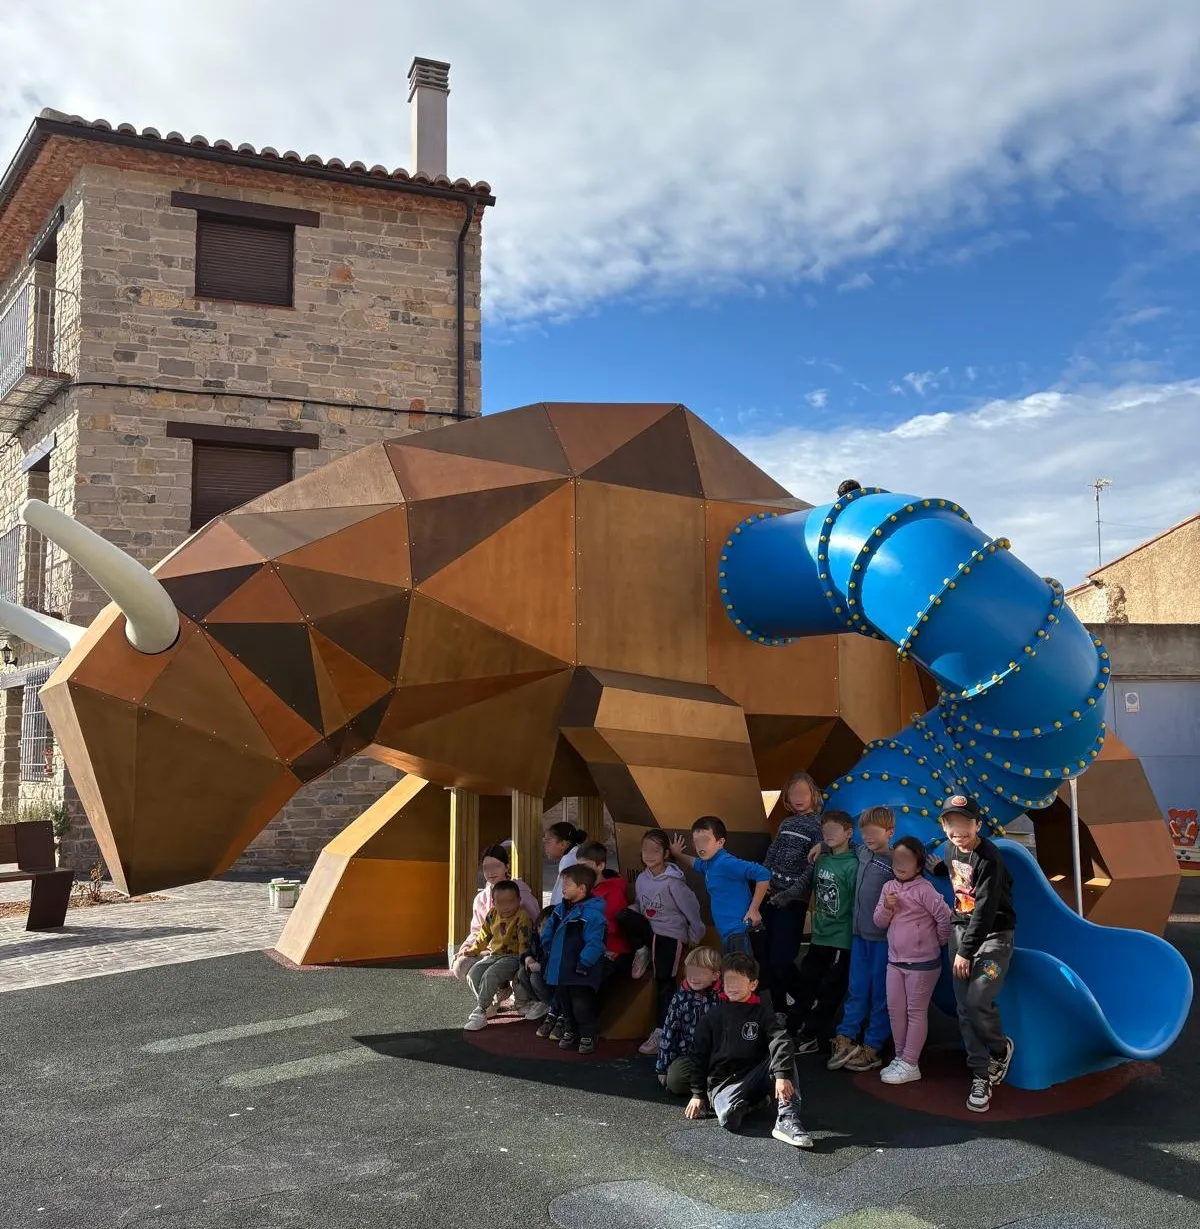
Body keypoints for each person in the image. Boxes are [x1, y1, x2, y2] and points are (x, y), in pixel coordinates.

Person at [928, 793, 1017, 1113]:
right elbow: (957, 876)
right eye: (951, 823)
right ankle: (980, 1075)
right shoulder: (951, 848)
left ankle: (999, 1047)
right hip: (960, 933)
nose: (958, 830)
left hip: (993, 937)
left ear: (978, 825)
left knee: (978, 999)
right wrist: (938, 869)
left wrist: (964, 952)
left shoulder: (989, 857)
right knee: (964, 1008)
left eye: (965, 824)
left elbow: (985, 909)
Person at [685, 951, 813, 1149]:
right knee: (728, 1119)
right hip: (723, 1084)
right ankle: (753, 1103)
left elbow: (780, 1040)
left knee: (783, 1053)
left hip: (755, 1075)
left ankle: (787, 1118)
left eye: (739, 981)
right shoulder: (712, 1017)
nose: (733, 986)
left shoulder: (762, 1013)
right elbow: (699, 1055)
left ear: (753, 985)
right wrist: (697, 1094)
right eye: (729, 981)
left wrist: (781, 1075)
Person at [873, 835, 952, 1084]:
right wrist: (887, 907)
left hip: (922, 964)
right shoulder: (888, 888)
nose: (900, 864)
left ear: (918, 866)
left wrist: (935, 944)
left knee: (915, 1011)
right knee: (896, 1011)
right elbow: (878, 922)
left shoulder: (925, 890)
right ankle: (901, 1057)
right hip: (895, 961)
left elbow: (945, 918)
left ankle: (910, 1062)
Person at [624, 828, 706, 1057]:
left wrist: (695, 935)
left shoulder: (674, 883)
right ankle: (642, 950)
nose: (649, 855)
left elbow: (692, 911)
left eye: (655, 850)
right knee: (624, 915)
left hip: (669, 934)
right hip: (650, 931)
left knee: (664, 982)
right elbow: (640, 906)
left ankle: (662, 1030)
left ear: (666, 853)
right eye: (645, 850)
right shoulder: (642, 878)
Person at [827, 805, 895, 1073]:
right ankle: (846, 1037)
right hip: (859, 937)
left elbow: (916, 871)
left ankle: (874, 1045)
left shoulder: (895, 860)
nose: (867, 837)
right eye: (864, 832)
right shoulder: (863, 851)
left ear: (890, 832)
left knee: (881, 992)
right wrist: (821, 847)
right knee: (857, 988)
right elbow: (841, 842)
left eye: (874, 833)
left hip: (883, 940)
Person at [787, 810, 857, 1052]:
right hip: (820, 935)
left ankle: (810, 1035)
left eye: (835, 830)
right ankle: (792, 1027)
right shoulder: (822, 860)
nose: (829, 835)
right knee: (807, 982)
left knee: (831, 989)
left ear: (849, 833)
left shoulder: (854, 864)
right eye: (825, 831)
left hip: (841, 939)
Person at [760, 772, 824, 1025]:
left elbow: (811, 870)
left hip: (792, 901)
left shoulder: (818, 826)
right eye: (793, 794)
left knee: (782, 958)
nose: (798, 799)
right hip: (770, 897)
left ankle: (806, 998)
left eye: (803, 794)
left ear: (813, 796)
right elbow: (771, 853)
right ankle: (780, 1009)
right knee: (767, 957)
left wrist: (788, 895)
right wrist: (763, 882)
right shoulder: (785, 824)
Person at [669, 817, 770, 956]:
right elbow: (695, 863)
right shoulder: (709, 864)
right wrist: (677, 855)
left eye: (705, 841)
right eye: (697, 842)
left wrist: (754, 909)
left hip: (740, 932)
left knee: (741, 975)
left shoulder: (726, 862)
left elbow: (763, 874)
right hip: (728, 934)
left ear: (720, 842)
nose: (700, 846)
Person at [540, 864, 608, 1054]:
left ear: (582, 889)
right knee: (565, 1003)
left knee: (581, 1004)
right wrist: (546, 946)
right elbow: (548, 930)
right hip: (561, 968)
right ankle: (570, 1030)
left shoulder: (592, 915)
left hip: (580, 970)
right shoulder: (560, 909)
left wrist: (585, 962)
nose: (563, 887)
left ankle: (587, 1034)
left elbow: (595, 942)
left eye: (567, 884)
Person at [451, 845, 541, 983]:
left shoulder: (521, 893)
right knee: (461, 965)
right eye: (486, 867)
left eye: (496, 866)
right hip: (488, 951)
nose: (491, 871)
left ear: (507, 867)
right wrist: (467, 947)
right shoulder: (481, 898)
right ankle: (496, 991)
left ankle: (512, 989)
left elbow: (535, 925)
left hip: (516, 952)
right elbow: (477, 931)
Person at [460, 880, 535, 1032]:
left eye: (510, 902)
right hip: (495, 955)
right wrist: (474, 949)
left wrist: (523, 962)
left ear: (519, 900)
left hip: (513, 957)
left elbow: (524, 942)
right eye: (500, 903)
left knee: (490, 974)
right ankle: (493, 1000)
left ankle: (481, 1010)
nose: (505, 906)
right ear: (494, 903)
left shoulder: (522, 917)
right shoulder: (492, 914)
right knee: (473, 973)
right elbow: (484, 935)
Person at [655, 946, 722, 1094]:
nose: (694, 977)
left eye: (701, 972)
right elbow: (669, 1033)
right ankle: (708, 1087)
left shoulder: (723, 998)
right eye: (691, 971)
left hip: (718, 1055)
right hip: (689, 1055)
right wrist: (662, 1068)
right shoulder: (680, 998)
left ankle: (714, 1087)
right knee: (675, 1082)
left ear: (715, 975)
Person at [515, 905, 556, 1020]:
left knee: (535, 977)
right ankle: (538, 1001)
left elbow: (556, 965)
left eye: (547, 927)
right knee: (522, 972)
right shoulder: (536, 939)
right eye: (539, 926)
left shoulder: (557, 944)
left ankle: (548, 1003)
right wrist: (527, 958)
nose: (541, 930)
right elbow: (526, 953)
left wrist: (541, 967)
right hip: (539, 976)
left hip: (551, 986)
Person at [545, 821, 588, 906]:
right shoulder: (571, 857)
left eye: (548, 841)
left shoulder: (570, 861)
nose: (545, 846)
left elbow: (562, 898)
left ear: (563, 844)